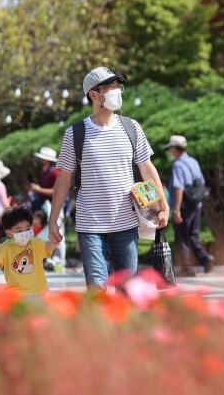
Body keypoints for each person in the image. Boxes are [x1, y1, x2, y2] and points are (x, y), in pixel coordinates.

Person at [48, 66, 169, 289]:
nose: (117, 91)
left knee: (128, 291)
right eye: (110, 87)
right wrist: (53, 219)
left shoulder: (131, 127)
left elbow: (147, 168)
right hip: (90, 226)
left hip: (126, 224)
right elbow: (64, 179)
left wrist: (163, 203)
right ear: (94, 95)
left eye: (118, 86)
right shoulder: (75, 133)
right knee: (97, 291)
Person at [0, 206, 61, 298]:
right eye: (19, 230)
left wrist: (55, 242)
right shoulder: (5, 247)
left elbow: (48, 246)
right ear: (8, 233)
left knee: (37, 313)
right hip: (15, 294)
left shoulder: (35, 242)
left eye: (28, 229)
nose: (24, 233)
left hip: (38, 291)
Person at [165, 135, 214, 276]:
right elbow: (201, 182)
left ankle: (187, 268)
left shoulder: (178, 164)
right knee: (193, 235)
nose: (170, 151)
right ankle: (205, 259)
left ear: (175, 148)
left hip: (185, 206)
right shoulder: (193, 161)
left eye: (170, 148)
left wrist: (176, 210)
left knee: (182, 237)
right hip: (196, 204)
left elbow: (179, 188)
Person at [30, 146, 66, 269]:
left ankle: (59, 259)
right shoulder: (45, 172)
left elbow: (57, 191)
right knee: (47, 232)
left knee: (58, 231)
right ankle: (51, 258)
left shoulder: (54, 172)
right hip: (46, 207)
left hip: (55, 205)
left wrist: (39, 190)